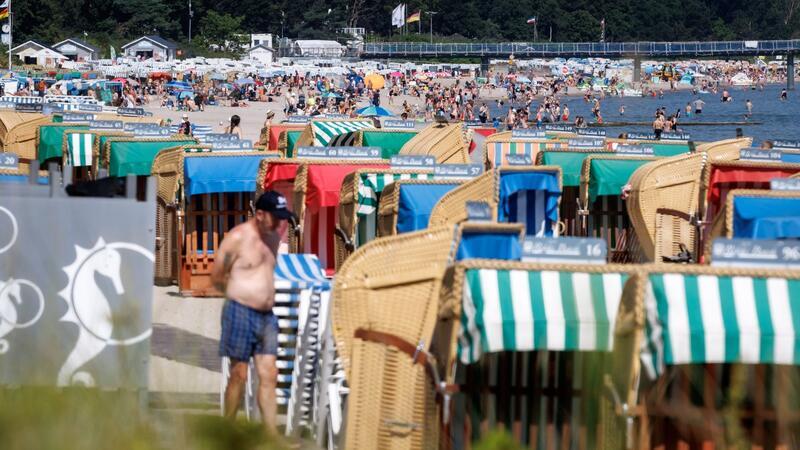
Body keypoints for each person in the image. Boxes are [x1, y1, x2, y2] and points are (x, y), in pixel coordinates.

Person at [213, 191, 295, 435]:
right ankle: (227, 431)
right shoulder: (238, 237)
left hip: (266, 316)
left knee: (269, 374)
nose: (280, 223)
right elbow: (217, 275)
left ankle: (270, 437)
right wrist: (239, 295)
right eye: (276, 217)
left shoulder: (273, 238)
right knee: (239, 374)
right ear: (259, 214)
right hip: (240, 310)